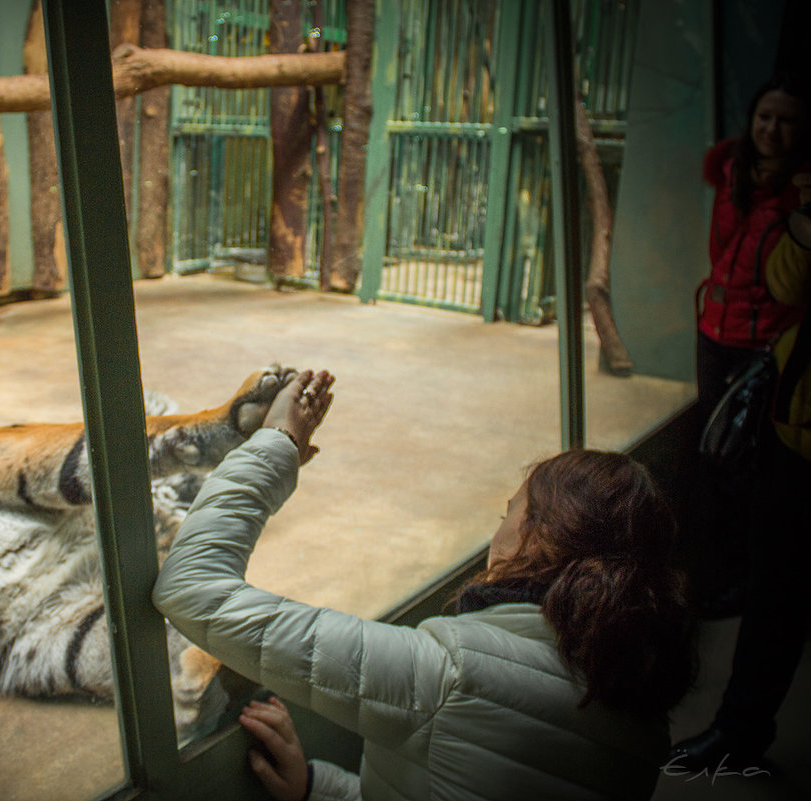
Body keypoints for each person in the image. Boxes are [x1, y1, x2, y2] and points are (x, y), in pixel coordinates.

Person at [153, 369, 696, 801]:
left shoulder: (449, 674)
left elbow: (191, 587)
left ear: (537, 539)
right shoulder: (643, 714)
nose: (497, 527)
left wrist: (279, 442)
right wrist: (317, 788)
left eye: (511, 511)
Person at [670, 174, 811, 771]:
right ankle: (739, 727)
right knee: (776, 585)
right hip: (795, 424)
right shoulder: (752, 183)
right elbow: (784, 282)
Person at [690, 72, 811, 614]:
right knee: (712, 458)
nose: (772, 129)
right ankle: (708, 572)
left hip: (764, 349)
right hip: (714, 332)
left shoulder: (801, 194)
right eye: (765, 117)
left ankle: (739, 581)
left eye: (786, 120)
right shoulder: (733, 172)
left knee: (748, 468)